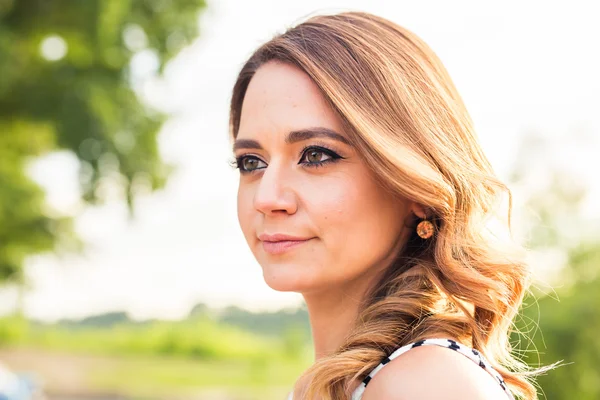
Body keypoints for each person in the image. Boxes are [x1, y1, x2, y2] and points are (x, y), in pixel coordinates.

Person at [228, 11, 545, 400]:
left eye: (316, 155)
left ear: (413, 184)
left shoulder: (426, 384)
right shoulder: (347, 382)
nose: (266, 198)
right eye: (251, 162)